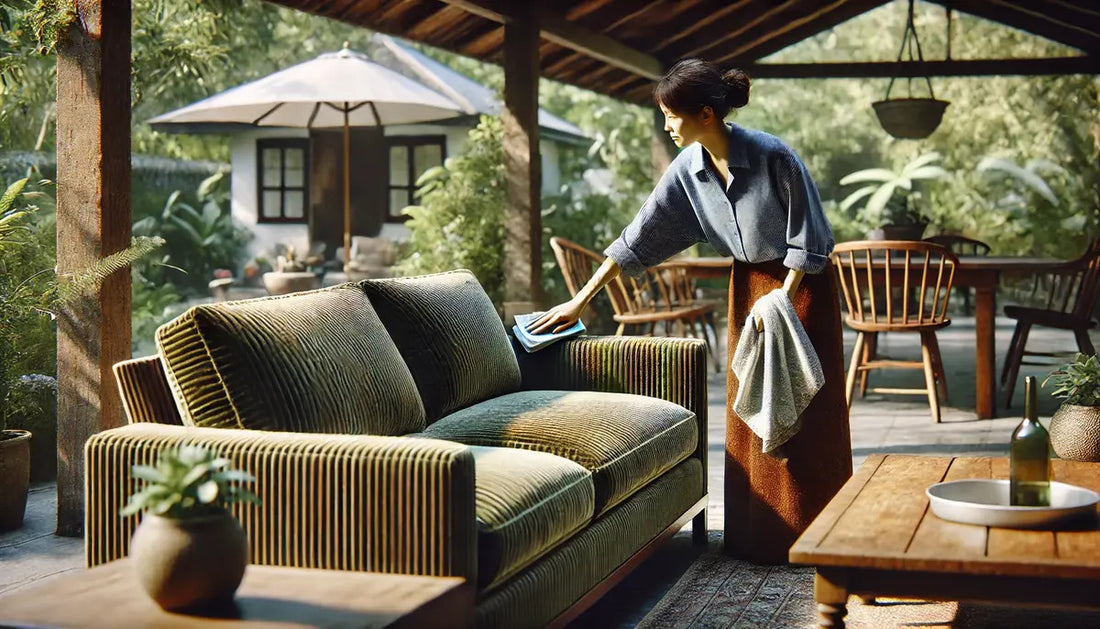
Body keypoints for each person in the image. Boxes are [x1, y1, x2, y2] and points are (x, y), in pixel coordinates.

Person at [528, 58, 852, 565]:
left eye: (671, 116)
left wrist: (782, 299)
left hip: (801, 290)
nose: (666, 126)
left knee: (807, 412)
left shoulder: (773, 156)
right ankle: (758, 539)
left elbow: (812, 241)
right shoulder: (687, 170)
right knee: (752, 408)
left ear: (705, 113)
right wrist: (579, 302)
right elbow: (636, 239)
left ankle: (826, 537)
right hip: (748, 290)